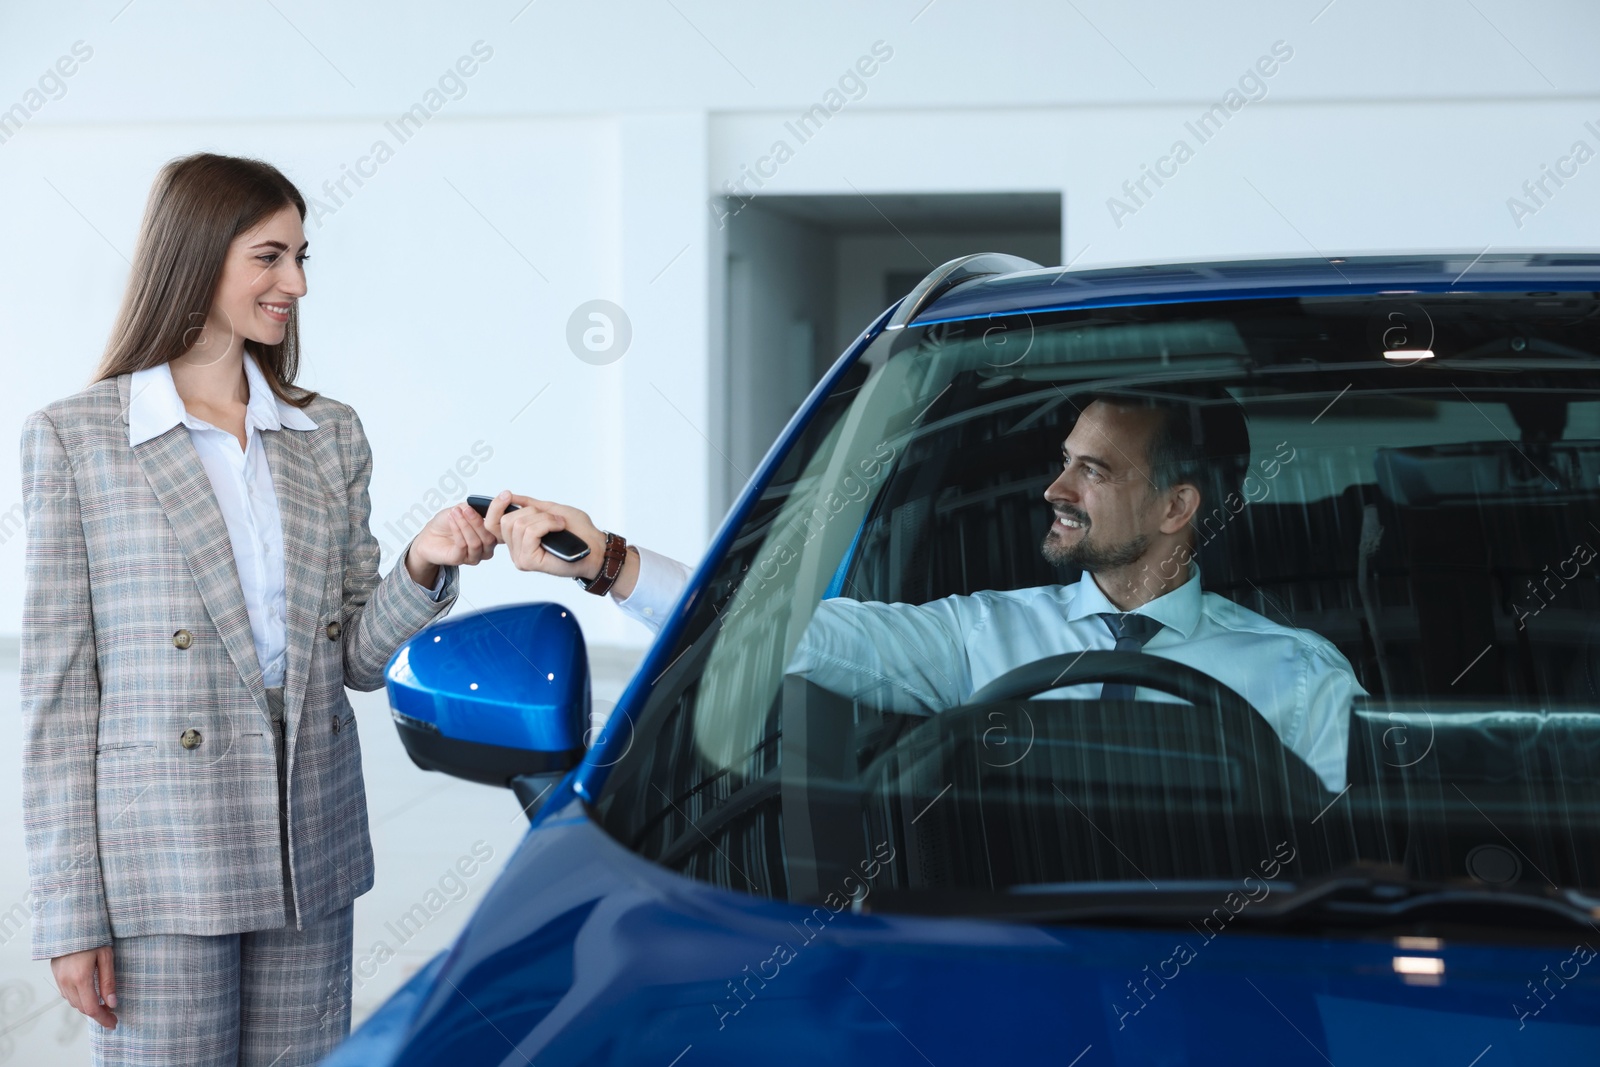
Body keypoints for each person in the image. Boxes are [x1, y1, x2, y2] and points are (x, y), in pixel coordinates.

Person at [21, 153, 499, 1065]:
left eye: (303, 258)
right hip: (163, 862)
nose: (297, 284)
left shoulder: (328, 435)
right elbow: (56, 696)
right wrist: (68, 907)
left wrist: (423, 564)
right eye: (271, 257)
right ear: (198, 258)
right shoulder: (76, 438)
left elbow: (355, 656)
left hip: (305, 852)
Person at [480, 394, 1365, 791]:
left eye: (1090, 470)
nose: (1055, 490)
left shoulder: (1297, 676)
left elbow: (1339, 874)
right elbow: (786, 633)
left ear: (1177, 506)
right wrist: (609, 564)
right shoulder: (981, 635)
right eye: (1062, 462)